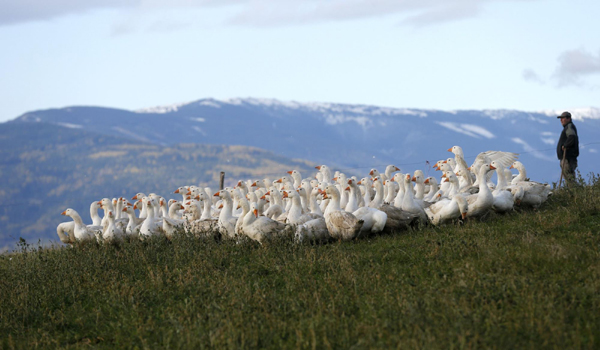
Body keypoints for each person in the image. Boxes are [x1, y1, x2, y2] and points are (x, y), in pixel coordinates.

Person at [556, 111, 579, 186]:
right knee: (569, 178)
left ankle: (575, 193)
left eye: (563, 118)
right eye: (560, 118)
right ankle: (574, 193)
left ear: (568, 118)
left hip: (567, 158)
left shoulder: (569, 127)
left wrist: (565, 145)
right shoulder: (568, 127)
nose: (561, 120)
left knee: (569, 179)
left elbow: (572, 136)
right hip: (566, 158)